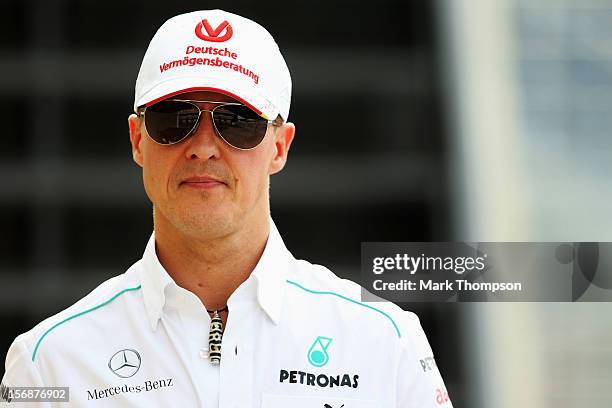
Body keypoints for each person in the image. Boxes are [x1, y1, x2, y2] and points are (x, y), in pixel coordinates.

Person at [1, 9, 452, 407]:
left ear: (280, 146)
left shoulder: (383, 342)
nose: (202, 147)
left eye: (237, 121)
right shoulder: (49, 364)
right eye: (174, 118)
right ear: (139, 140)